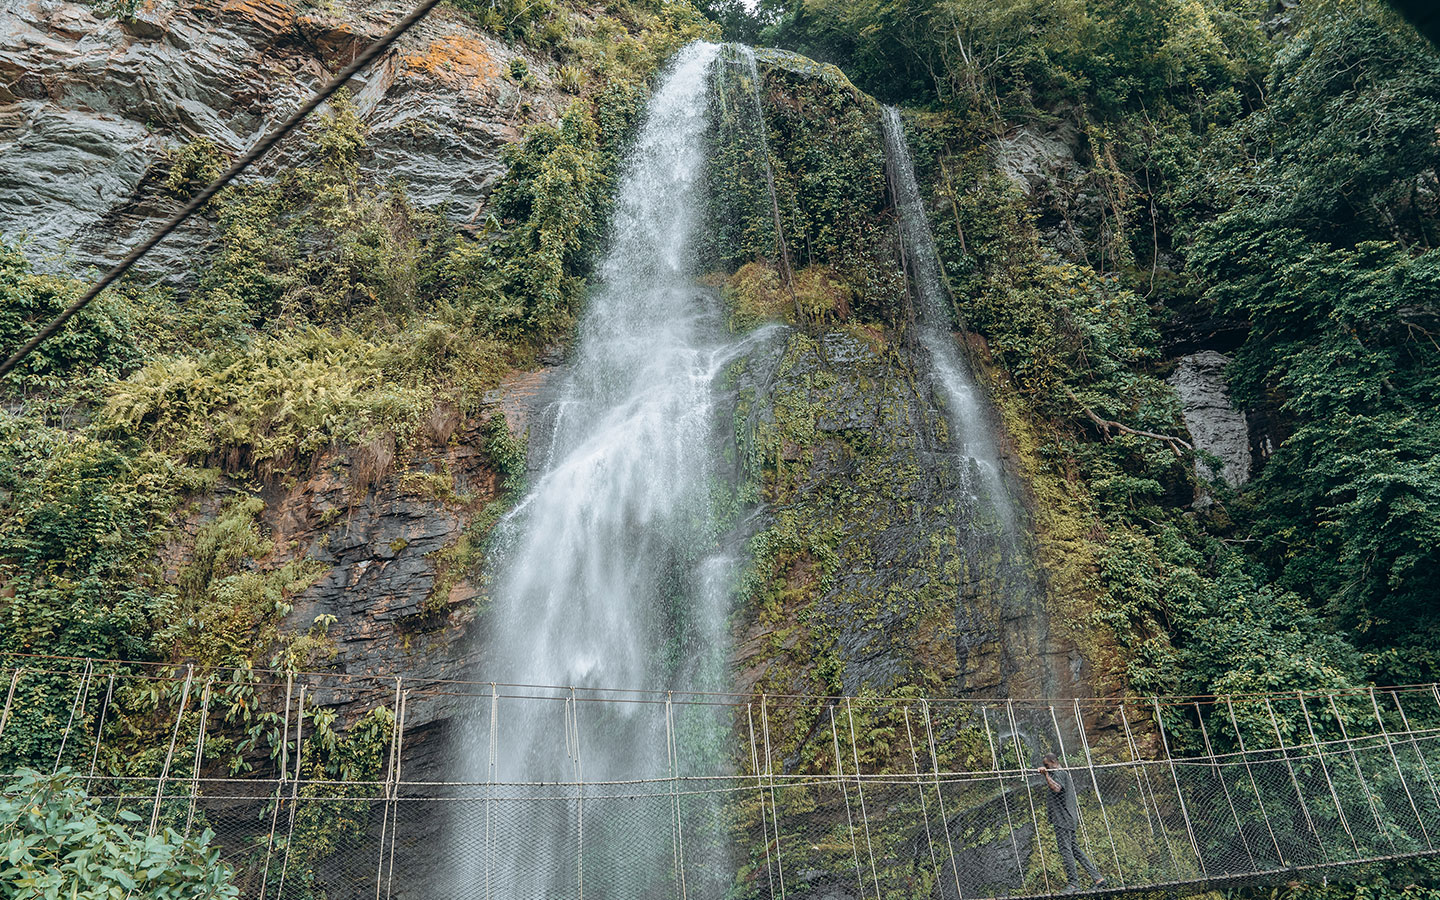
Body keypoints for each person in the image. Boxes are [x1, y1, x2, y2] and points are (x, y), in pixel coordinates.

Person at [1037, 753, 1105, 893]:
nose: (1046, 767)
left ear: (1053, 762)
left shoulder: (1059, 773)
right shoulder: (1059, 773)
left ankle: (1074, 884)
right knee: (1075, 850)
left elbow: (1056, 788)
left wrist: (1045, 775)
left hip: (1063, 819)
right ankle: (1098, 878)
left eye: (1047, 765)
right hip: (1068, 818)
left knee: (1065, 850)